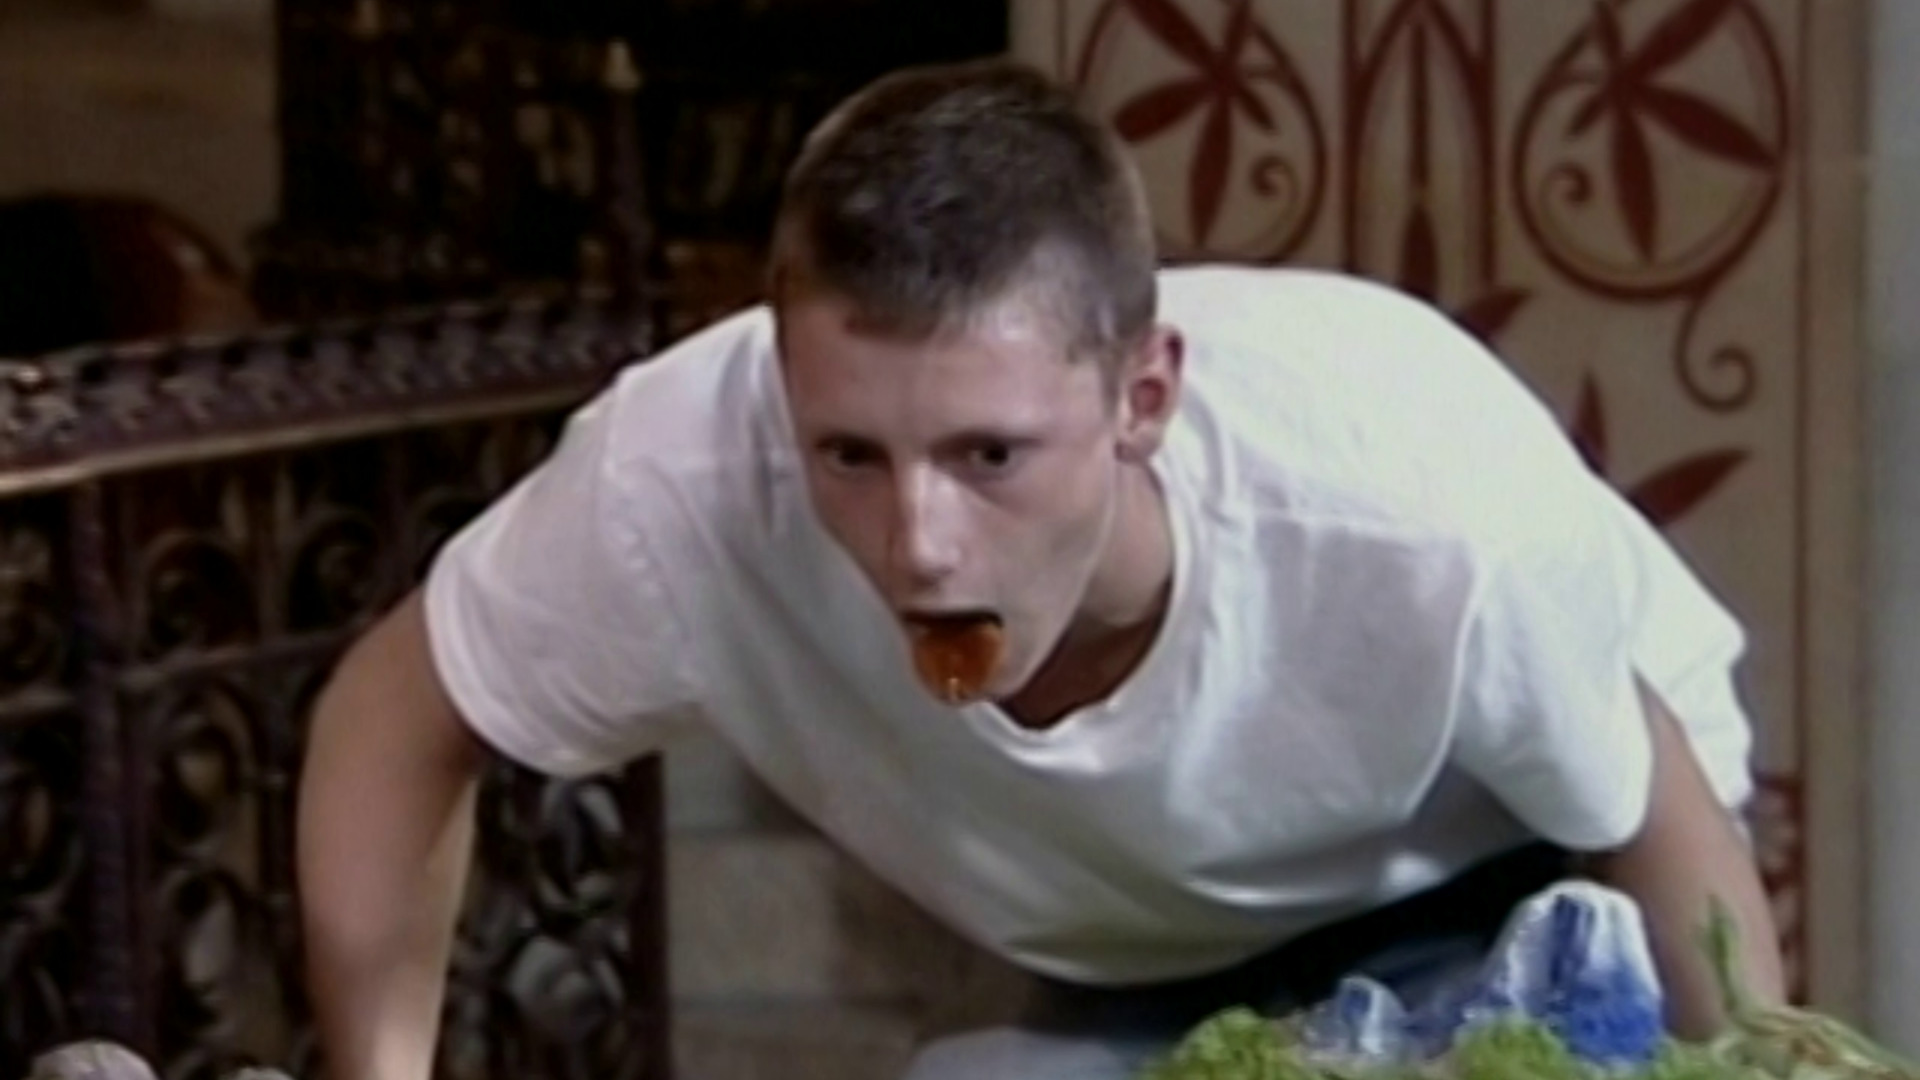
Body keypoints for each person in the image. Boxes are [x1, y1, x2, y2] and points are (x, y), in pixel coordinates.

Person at [294, 57, 1787, 1080]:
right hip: (1147, 956)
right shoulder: (683, 479)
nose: (919, 544)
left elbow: (1652, 811)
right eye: (850, 455)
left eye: (990, 456)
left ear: (1143, 397)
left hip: (1514, 887)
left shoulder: (1414, 512)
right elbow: (399, 711)